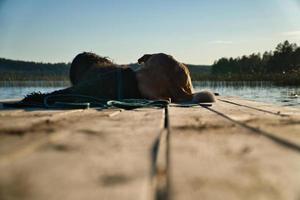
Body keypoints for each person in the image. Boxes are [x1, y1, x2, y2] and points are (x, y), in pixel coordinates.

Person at [21, 52, 215, 105]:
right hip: (178, 85)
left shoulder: (97, 78)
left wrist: (32, 99)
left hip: (156, 89)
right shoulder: (118, 72)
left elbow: (66, 94)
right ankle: (183, 95)